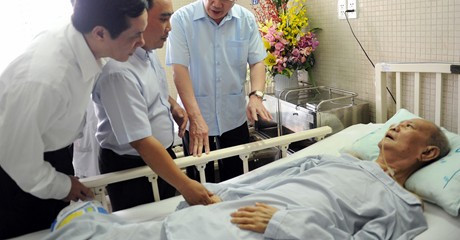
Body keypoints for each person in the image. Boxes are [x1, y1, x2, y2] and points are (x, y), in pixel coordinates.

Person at [44, 118, 450, 239]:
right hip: (231, 214)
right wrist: (215, 192)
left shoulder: (405, 208)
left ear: (428, 152)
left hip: (271, 230)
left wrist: (285, 223)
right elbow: (272, 176)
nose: (395, 127)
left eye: (410, 126)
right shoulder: (336, 159)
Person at [0, 0, 149, 238]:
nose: (142, 42)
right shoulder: (45, 78)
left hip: (48, 152)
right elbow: (18, 160)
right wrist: (61, 185)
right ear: (100, 32)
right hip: (14, 173)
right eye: (135, 35)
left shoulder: (83, 40)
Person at [92, 0, 214, 212]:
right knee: (144, 227)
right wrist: (186, 184)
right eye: (163, 18)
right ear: (140, 18)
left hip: (158, 156)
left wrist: (171, 105)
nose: (169, 27)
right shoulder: (119, 72)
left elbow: (151, 90)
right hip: (131, 165)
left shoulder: (147, 54)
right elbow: (139, 140)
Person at [166, 0, 272, 183]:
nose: (217, 3)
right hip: (195, 115)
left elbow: (257, 62)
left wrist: (256, 95)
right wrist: (195, 117)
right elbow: (179, 71)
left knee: (236, 177)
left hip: (233, 116)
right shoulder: (182, 20)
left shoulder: (246, 20)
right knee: (199, 179)